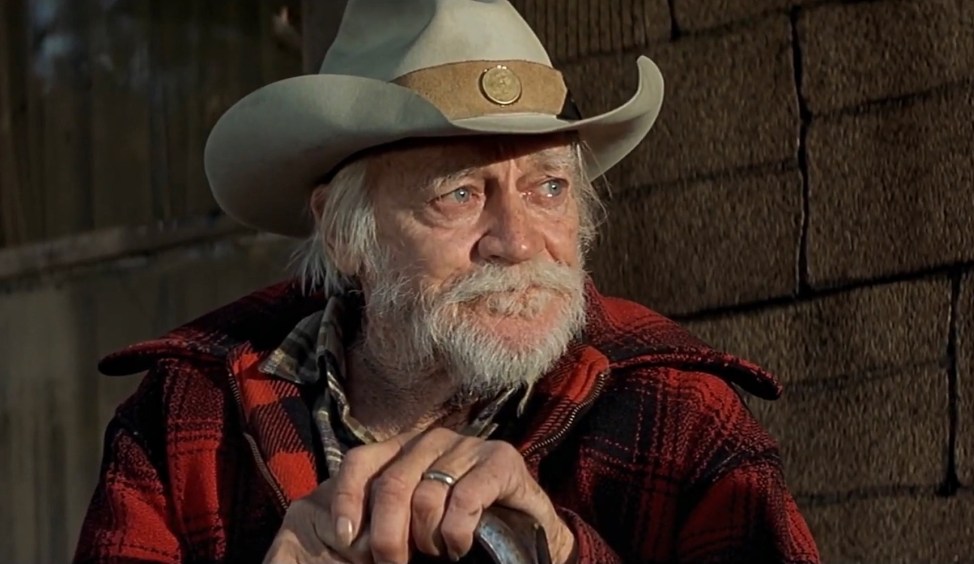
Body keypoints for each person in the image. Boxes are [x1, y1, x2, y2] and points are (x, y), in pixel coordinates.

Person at [75, 1, 819, 562]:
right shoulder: (188, 415)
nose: (517, 242)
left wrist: (561, 552)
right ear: (344, 233)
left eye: (548, 188)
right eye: (459, 194)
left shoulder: (680, 415)